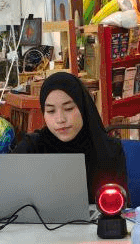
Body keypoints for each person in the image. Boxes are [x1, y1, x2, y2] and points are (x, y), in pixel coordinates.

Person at [13, 72, 128, 200]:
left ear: (83, 107)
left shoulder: (109, 150)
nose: (60, 119)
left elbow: (119, 208)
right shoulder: (31, 148)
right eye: (51, 111)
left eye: (68, 108)